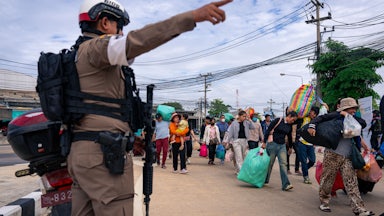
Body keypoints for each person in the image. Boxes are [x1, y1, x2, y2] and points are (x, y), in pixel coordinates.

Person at [66, 0, 232, 215]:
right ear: (104, 22)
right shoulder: (96, 48)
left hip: (81, 152)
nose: (122, 32)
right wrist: (190, 17)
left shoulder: (76, 55)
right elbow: (137, 41)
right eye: (119, 26)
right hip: (103, 154)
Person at [307, 97, 374, 216]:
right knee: (327, 180)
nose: (354, 110)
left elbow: (362, 124)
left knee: (352, 182)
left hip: (348, 156)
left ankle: (359, 209)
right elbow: (319, 119)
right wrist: (312, 126)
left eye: (354, 108)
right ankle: (324, 202)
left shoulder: (355, 119)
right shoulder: (334, 116)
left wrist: (348, 117)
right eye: (352, 108)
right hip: (332, 154)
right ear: (345, 108)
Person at [262, 111, 298, 191]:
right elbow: (268, 131)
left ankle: (286, 184)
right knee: (269, 164)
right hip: (272, 144)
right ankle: (264, 180)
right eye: (292, 119)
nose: (293, 121)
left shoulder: (290, 125)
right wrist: (264, 142)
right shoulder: (278, 120)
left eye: (294, 120)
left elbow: (289, 136)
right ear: (288, 116)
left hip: (282, 146)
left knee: (283, 164)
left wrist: (290, 147)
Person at [297, 106, 319, 184]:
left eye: (313, 113)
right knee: (303, 160)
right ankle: (306, 177)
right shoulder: (305, 118)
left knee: (312, 161)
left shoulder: (316, 122)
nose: (311, 113)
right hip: (302, 142)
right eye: (311, 112)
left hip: (310, 144)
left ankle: (304, 169)